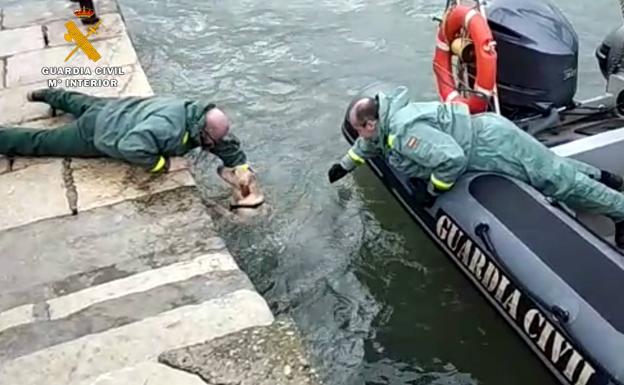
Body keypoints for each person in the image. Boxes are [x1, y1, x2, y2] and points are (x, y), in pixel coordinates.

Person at [327, 86, 624, 249]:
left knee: (558, 181)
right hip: (482, 139)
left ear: (370, 123)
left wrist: (433, 190)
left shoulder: (405, 134)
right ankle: (605, 177)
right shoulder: (385, 124)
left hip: (492, 144)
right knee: (552, 167)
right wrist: (344, 166)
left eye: (360, 129)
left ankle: (619, 209)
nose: (360, 136)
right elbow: (368, 145)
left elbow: (451, 159)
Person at [0, 88, 259, 195]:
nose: (214, 145)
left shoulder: (197, 114)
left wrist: (241, 168)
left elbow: (224, 142)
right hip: (97, 131)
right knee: (41, 142)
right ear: (202, 132)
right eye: (210, 141)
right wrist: (164, 165)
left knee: (76, 101)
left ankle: (44, 94)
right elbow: (129, 146)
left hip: (115, 108)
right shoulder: (168, 129)